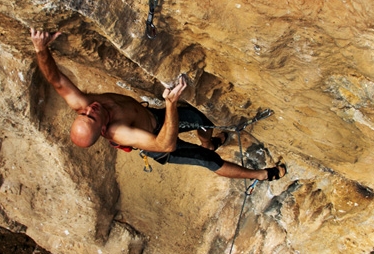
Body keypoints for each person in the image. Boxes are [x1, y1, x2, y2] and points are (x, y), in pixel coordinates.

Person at [30, 29, 286, 181]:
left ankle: (210, 140)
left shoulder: (86, 105)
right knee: (208, 160)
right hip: (159, 141)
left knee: (202, 119)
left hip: (154, 117)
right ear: (103, 128)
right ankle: (261, 175)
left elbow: (57, 80)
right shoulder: (120, 131)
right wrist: (171, 104)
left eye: (83, 112)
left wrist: (41, 49)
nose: (90, 109)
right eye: (92, 116)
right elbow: (166, 144)